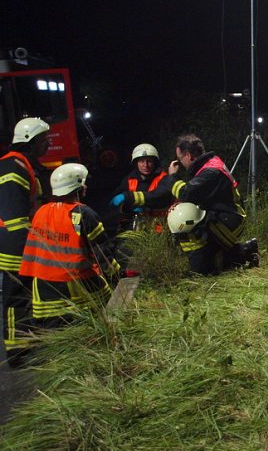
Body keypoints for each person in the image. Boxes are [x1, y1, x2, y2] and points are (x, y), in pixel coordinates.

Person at [19, 163, 120, 331]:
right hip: (77, 290)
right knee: (99, 324)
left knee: (54, 345)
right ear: (78, 187)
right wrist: (117, 276)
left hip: (43, 292)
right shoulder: (84, 214)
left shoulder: (41, 212)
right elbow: (102, 254)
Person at [163, 134, 258, 274]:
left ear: (189, 155)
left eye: (180, 158)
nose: (180, 163)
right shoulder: (208, 164)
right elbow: (197, 195)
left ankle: (208, 265)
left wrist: (173, 176)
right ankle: (241, 252)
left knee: (190, 228)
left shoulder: (210, 171)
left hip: (230, 220)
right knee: (217, 261)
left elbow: (186, 193)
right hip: (225, 216)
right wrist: (179, 203)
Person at [0, 117, 50, 367]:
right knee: (16, 296)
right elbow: (14, 214)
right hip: (15, 244)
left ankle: (29, 342)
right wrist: (29, 246)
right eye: (43, 140)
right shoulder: (12, 166)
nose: (48, 143)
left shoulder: (23, 164)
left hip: (23, 241)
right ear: (30, 140)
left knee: (28, 294)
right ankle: (17, 352)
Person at [109, 143, 172, 232]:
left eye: (149, 161)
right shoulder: (130, 179)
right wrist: (125, 207)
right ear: (136, 163)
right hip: (135, 228)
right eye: (142, 161)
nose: (145, 165)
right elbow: (115, 199)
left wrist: (128, 197)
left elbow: (158, 196)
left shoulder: (164, 178)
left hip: (159, 229)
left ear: (155, 162)